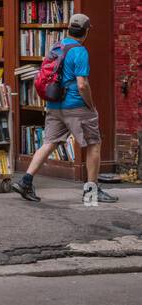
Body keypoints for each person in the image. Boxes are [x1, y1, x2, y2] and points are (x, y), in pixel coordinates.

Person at [14, 13, 117, 205]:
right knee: (94, 144)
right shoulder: (80, 51)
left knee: (49, 143)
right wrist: (91, 105)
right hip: (76, 105)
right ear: (86, 31)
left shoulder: (57, 46)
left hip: (54, 104)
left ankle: (26, 181)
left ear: (68, 28)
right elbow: (82, 84)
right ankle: (91, 191)